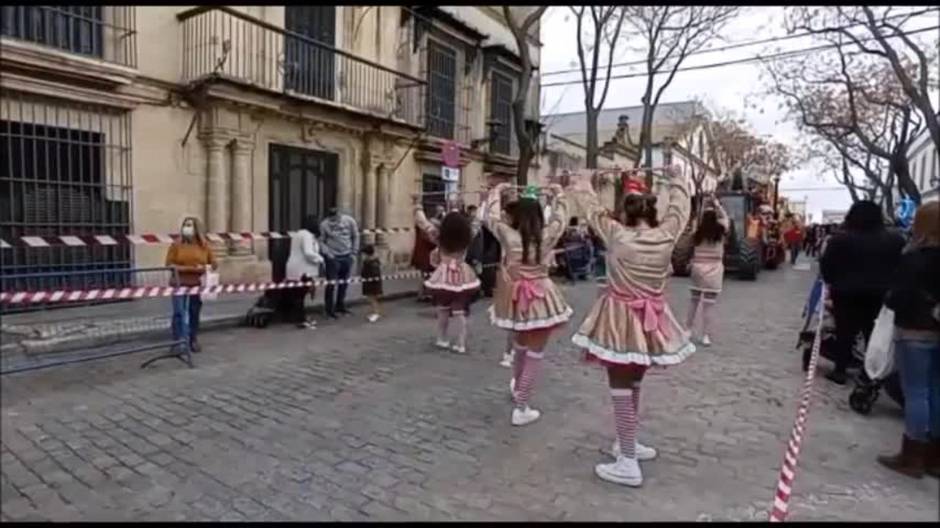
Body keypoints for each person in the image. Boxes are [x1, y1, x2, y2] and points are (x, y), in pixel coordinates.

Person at [568, 169, 694, 488]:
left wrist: (583, 180)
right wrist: (677, 180)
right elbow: (682, 207)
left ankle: (627, 461)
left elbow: (589, 206)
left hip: (619, 319)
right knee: (635, 383)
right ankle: (628, 443)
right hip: (650, 320)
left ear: (625, 211)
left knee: (620, 386)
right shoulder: (666, 234)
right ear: (652, 210)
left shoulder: (616, 234)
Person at [484, 183, 572, 426]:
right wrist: (559, 194)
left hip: (515, 296)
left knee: (521, 346)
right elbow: (561, 218)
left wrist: (495, 193)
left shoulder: (507, 234)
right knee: (535, 353)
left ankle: (517, 390)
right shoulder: (547, 236)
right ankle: (521, 406)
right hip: (541, 297)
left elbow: (489, 217)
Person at [878, 201, 940, 479]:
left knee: (916, 392)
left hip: (915, 330)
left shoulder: (914, 257)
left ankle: (912, 454)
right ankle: (934, 456)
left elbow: (897, 297)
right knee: (936, 391)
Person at [820, 201, 905, 385]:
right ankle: (870, 372)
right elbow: (902, 267)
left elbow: (826, 265)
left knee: (844, 332)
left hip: (845, 293)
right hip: (880, 294)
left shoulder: (840, 239)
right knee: (874, 334)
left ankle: (840, 369)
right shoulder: (895, 240)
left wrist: (832, 282)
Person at [413, 199, 481, 355]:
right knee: (460, 312)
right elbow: (478, 222)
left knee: (443, 310)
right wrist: (484, 200)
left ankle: (442, 338)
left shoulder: (439, 236)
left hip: (442, 275)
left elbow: (422, 223)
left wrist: (417, 205)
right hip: (462, 274)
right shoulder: (467, 236)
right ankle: (461, 343)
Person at [165, 216, 217, 353]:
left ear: (196, 229)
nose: (186, 228)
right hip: (178, 284)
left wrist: (203, 267)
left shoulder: (204, 246)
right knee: (179, 313)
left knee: (194, 312)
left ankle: (192, 339)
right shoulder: (176, 244)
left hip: (196, 284)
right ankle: (178, 341)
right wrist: (192, 268)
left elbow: (214, 264)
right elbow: (169, 264)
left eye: (190, 225)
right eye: (185, 225)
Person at [685, 194, 729, 347]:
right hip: (714, 269)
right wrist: (717, 205)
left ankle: (688, 330)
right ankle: (705, 335)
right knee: (709, 305)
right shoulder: (721, 231)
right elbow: (725, 217)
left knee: (694, 301)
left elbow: (694, 222)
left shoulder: (697, 232)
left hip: (698, 268)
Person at [285, 215, 324, 329]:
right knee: (300, 295)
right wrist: (321, 259)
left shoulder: (299, 234)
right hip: (303, 270)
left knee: (298, 295)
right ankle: (300, 319)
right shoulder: (307, 236)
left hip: (295, 268)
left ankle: (298, 317)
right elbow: (308, 252)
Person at [320, 206, 360, 319]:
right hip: (333, 257)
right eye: (331, 219)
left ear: (339, 215)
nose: (333, 221)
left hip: (347, 255)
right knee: (331, 284)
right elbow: (321, 241)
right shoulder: (324, 224)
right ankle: (329, 309)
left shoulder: (349, 221)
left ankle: (340, 305)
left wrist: (354, 252)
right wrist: (327, 253)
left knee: (344, 283)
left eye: (335, 218)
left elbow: (355, 236)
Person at [360, 244, 383, 323]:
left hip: (372, 284)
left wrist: (367, 277)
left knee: (373, 299)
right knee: (371, 299)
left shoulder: (371, 262)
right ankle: (373, 312)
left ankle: (376, 313)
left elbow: (374, 273)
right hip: (369, 283)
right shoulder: (371, 261)